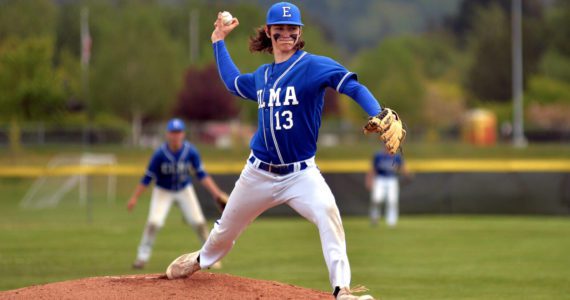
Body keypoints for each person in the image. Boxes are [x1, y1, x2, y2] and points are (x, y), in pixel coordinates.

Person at [165, 3, 405, 300]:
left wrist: (377, 110)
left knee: (328, 214)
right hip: (258, 173)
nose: (287, 33)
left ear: (300, 32)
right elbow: (232, 82)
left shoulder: (313, 66)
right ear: (269, 32)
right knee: (223, 234)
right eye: (280, 29)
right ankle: (200, 259)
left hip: (301, 174)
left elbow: (351, 86)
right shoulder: (263, 76)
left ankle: (341, 290)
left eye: (292, 29)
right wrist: (218, 41)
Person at [127, 118, 227, 269]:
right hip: (163, 190)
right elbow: (147, 178)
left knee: (199, 223)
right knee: (154, 222)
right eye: (173, 132)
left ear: (183, 134)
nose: (176, 135)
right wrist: (134, 197)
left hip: (183, 189)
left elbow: (201, 175)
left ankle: (211, 257)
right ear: (168, 134)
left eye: (178, 132)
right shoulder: (160, 154)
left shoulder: (190, 151)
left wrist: (216, 193)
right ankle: (142, 257)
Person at [366, 148, 409, 227]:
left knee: (392, 201)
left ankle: (391, 222)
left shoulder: (396, 156)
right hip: (380, 179)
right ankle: (374, 217)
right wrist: (369, 180)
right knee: (376, 199)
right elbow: (372, 169)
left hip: (392, 179)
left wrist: (407, 175)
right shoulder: (378, 156)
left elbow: (402, 166)